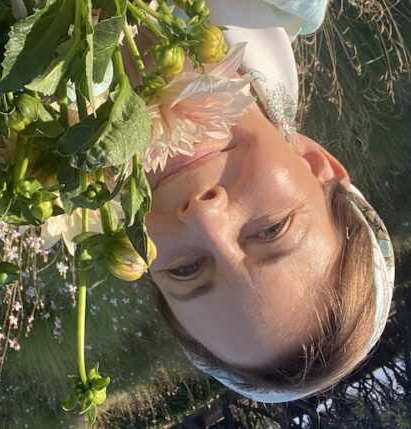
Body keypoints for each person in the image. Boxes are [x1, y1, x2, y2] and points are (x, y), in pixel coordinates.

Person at [144, 0, 395, 402]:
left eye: (187, 268)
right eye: (272, 229)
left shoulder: (16, 138)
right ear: (315, 163)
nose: (207, 217)